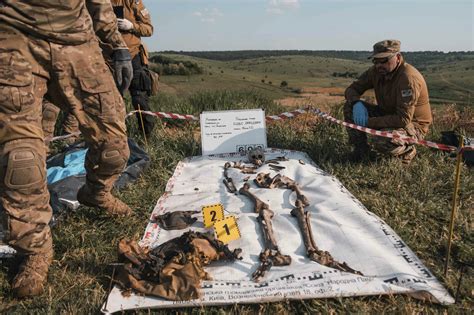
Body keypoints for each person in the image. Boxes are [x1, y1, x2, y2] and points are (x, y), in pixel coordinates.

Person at [0, 0, 133, 298]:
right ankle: (35, 247)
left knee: (114, 145)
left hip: (77, 39)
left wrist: (116, 44)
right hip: (12, 39)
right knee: (20, 160)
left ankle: (96, 193)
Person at [343, 39, 432, 164]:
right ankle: (361, 152)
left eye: (384, 60)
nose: (379, 65)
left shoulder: (408, 78)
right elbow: (352, 89)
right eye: (375, 61)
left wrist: (368, 122)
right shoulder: (376, 71)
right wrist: (356, 102)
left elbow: (403, 120)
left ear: (398, 57)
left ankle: (408, 150)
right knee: (349, 107)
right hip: (387, 113)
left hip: (413, 125)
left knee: (381, 139)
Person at [111, 0, 156, 136]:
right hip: (108, 57)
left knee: (139, 98)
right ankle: (117, 137)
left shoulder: (132, 2)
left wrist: (131, 26)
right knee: (112, 100)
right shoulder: (100, 2)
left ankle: (146, 136)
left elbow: (149, 29)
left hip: (133, 55)